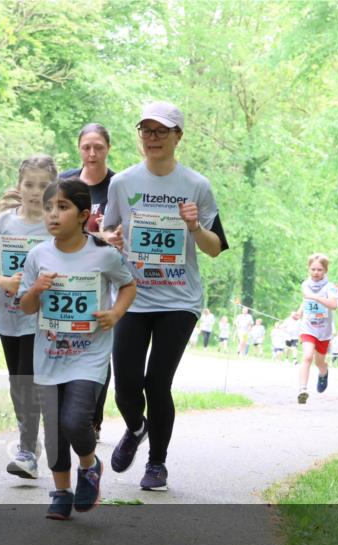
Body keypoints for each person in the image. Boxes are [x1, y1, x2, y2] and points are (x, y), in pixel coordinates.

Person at [102, 101, 228, 492]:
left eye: (162, 131)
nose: (153, 138)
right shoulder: (122, 183)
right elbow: (106, 236)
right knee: (125, 385)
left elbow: (214, 247)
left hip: (179, 300)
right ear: (139, 136)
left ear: (178, 136)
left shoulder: (196, 185)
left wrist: (193, 226)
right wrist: (112, 240)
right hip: (133, 296)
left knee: (157, 382)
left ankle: (157, 463)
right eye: (147, 131)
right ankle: (136, 427)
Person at [18, 178, 135, 519]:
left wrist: (115, 312)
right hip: (50, 355)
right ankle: (60, 491)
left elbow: (128, 286)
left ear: (84, 215)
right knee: (53, 427)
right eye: (49, 208)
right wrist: (37, 290)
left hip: (89, 355)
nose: (53, 215)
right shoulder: (38, 256)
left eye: (63, 207)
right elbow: (26, 307)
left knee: (74, 420)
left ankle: (89, 463)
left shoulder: (103, 255)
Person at [0, 155, 57, 478]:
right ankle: (30, 440)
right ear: (19, 185)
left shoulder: (54, 224)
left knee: (28, 381)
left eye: (43, 185)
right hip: (9, 315)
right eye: (30, 184)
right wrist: (5, 282)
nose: (36, 192)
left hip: (42, 318)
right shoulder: (3, 222)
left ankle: (27, 453)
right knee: (17, 383)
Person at [60, 123, 116, 440]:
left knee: (98, 347)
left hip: (104, 277)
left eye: (98, 147)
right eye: (86, 147)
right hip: (67, 273)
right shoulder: (65, 182)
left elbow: (125, 232)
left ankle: (92, 421)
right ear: (79, 148)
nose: (92, 153)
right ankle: (66, 411)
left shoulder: (118, 185)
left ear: (108, 148)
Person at [297, 253, 338, 404]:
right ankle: (302, 390)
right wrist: (299, 312)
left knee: (319, 362)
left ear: (325, 271)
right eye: (313, 269)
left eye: (319, 270)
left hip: (323, 331)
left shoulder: (330, 287)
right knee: (307, 356)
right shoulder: (305, 284)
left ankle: (323, 373)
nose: (316, 272)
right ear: (309, 269)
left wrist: (317, 298)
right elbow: (306, 300)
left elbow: (334, 305)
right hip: (308, 328)